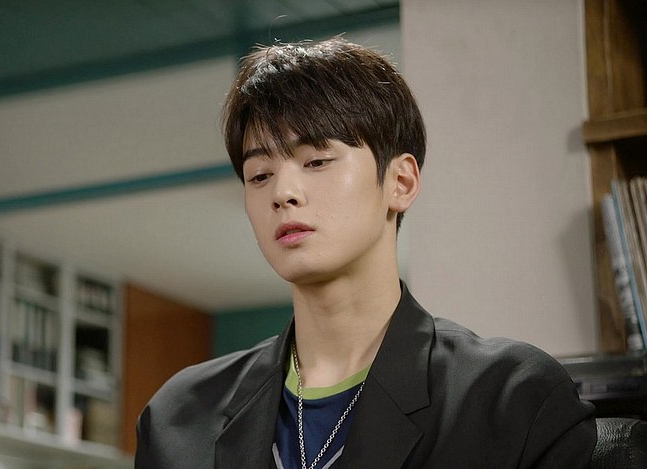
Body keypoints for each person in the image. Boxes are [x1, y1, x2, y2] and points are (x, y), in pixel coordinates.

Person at [134, 37, 596, 469]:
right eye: (259, 175)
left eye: (317, 161)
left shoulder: (509, 398)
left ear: (401, 182)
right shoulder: (179, 417)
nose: (283, 193)